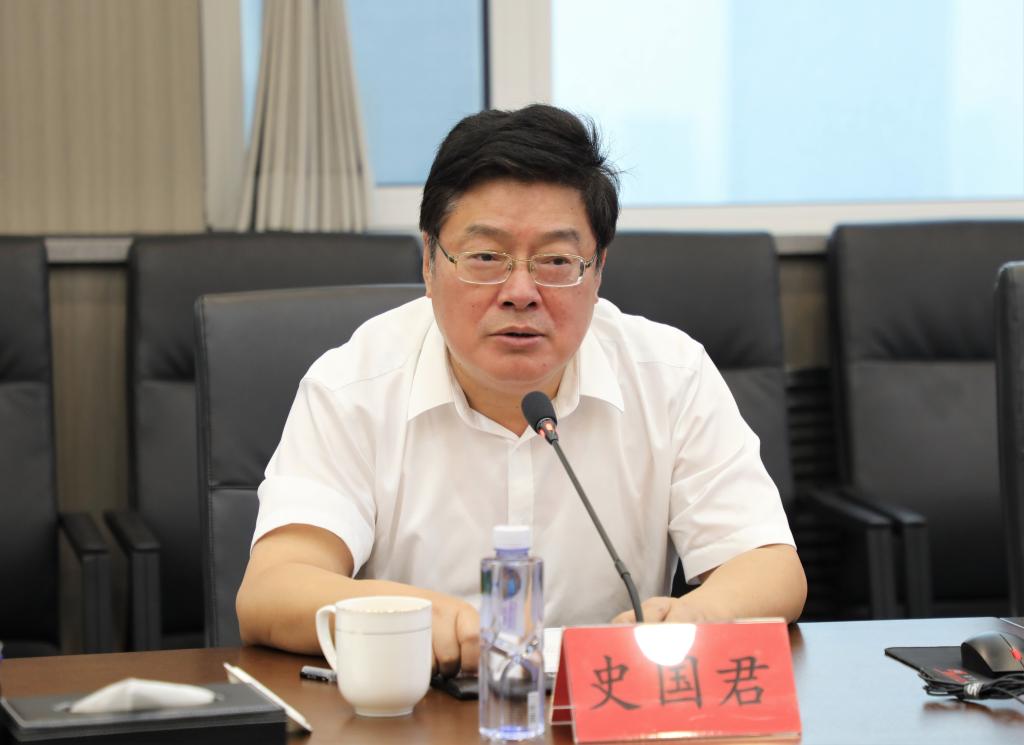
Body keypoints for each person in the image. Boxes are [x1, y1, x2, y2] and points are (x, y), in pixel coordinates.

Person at [236, 104, 806, 677]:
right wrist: (403, 615)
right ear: (430, 261)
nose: (520, 291)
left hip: (606, 703)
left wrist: (699, 616)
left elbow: (768, 566)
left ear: (598, 270)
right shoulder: (352, 387)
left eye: (556, 260)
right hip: (417, 708)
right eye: (486, 257)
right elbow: (272, 590)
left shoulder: (671, 376)